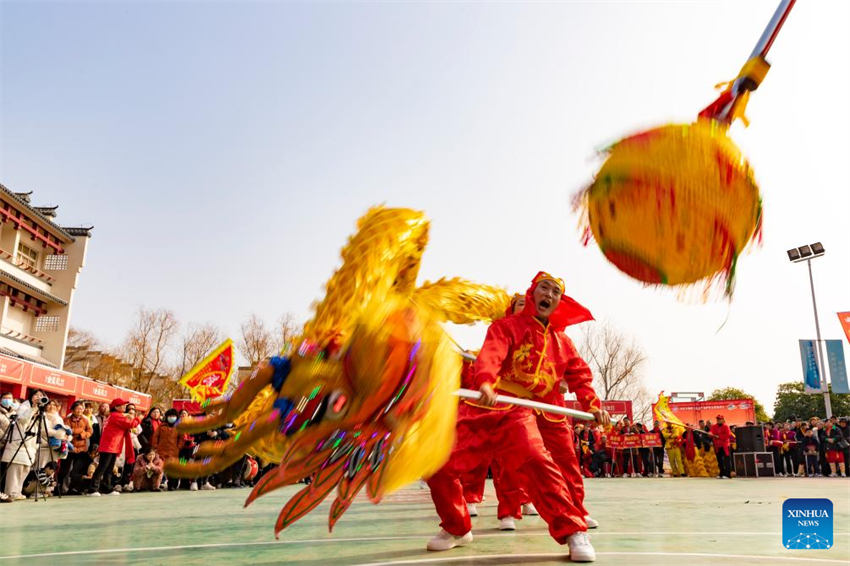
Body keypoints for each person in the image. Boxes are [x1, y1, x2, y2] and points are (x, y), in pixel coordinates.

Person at [425, 272, 609, 561]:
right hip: (485, 407)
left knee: (536, 460)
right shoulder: (506, 326)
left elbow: (580, 377)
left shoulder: (563, 343)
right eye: (543, 288)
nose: (548, 295)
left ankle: (574, 530)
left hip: (518, 413)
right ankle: (457, 526)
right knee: (435, 461)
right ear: (533, 293)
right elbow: (492, 355)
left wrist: (593, 405)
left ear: (559, 302)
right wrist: (485, 380)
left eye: (555, 292)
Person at [87, 398, 139, 496]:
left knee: (109, 468)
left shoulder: (114, 416)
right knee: (102, 467)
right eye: (122, 405)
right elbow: (131, 424)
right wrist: (136, 418)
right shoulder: (116, 416)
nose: (124, 407)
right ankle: (92, 489)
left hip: (112, 446)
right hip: (109, 446)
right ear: (116, 407)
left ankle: (107, 487)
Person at [1, 390, 46, 501]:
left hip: (30, 445)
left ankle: (18, 491)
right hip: (19, 443)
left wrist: (40, 410)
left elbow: (43, 428)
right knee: (16, 469)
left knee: (25, 468)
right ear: (31, 396)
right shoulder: (24, 406)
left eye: (41, 396)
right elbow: (24, 420)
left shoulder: (40, 411)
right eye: (36, 395)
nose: (38, 397)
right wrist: (33, 408)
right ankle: (10, 493)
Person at [58, 401, 92, 495]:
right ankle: (60, 489)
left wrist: (83, 434)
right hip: (69, 447)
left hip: (81, 449)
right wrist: (79, 430)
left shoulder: (85, 420)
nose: (79, 410)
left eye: (81, 409)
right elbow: (67, 430)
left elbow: (89, 431)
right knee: (65, 470)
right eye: (77, 408)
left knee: (77, 471)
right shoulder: (67, 419)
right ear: (72, 409)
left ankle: (74, 489)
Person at [152, 409, 183, 490]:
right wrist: (155, 446)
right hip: (161, 451)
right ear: (166, 417)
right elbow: (155, 436)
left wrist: (179, 447)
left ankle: (172, 485)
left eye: (173, 416)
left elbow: (182, 438)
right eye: (170, 416)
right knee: (160, 468)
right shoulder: (161, 426)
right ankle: (156, 484)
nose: (171, 418)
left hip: (173, 451)